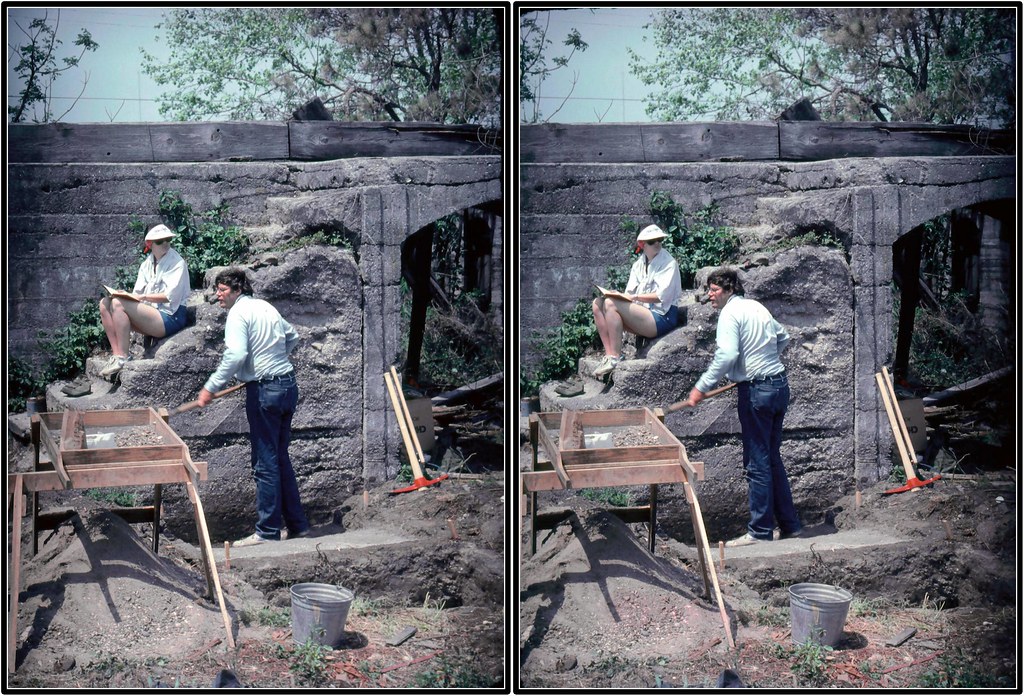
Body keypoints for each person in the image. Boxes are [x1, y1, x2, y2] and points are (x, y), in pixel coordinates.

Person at [681, 267, 801, 547]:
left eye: (715, 290)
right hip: (778, 385)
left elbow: (727, 354)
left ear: (729, 290)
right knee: (771, 458)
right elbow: (783, 337)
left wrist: (701, 387)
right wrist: (762, 362)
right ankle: (790, 526)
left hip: (758, 391)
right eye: (709, 290)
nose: (710, 295)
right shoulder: (756, 307)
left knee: (757, 461)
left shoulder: (729, 313)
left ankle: (759, 532)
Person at [198, 268, 310, 547]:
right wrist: (272, 361)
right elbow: (292, 336)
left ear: (237, 290)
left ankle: (268, 531)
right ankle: (298, 526)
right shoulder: (265, 307)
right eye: (217, 290)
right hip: (287, 385)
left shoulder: (238, 313)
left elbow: (236, 354)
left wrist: (211, 387)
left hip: (265, 391)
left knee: (265, 461)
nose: (218, 295)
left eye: (222, 290)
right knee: (279, 457)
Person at [98, 223, 191, 378]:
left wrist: (142, 297)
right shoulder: (146, 264)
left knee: (118, 304)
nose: (165, 243)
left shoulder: (177, 263)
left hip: (172, 316)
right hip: (153, 313)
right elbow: (137, 294)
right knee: (105, 304)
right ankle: (117, 355)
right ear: (149, 243)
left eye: (168, 239)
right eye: (160, 241)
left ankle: (123, 358)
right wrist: (124, 295)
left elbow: (169, 296)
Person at [591, 224, 682, 377]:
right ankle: (609, 355)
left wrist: (634, 297)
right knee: (597, 304)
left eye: (660, 240)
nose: (657, 244)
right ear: (642, 244)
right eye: (652, 241)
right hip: (644, 313)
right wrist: (618, 295)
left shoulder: (669, 263)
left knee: (610, 304)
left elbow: (661, 296)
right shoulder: (638, 265)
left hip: (663, 316)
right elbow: (629, 294)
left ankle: (616, 357)